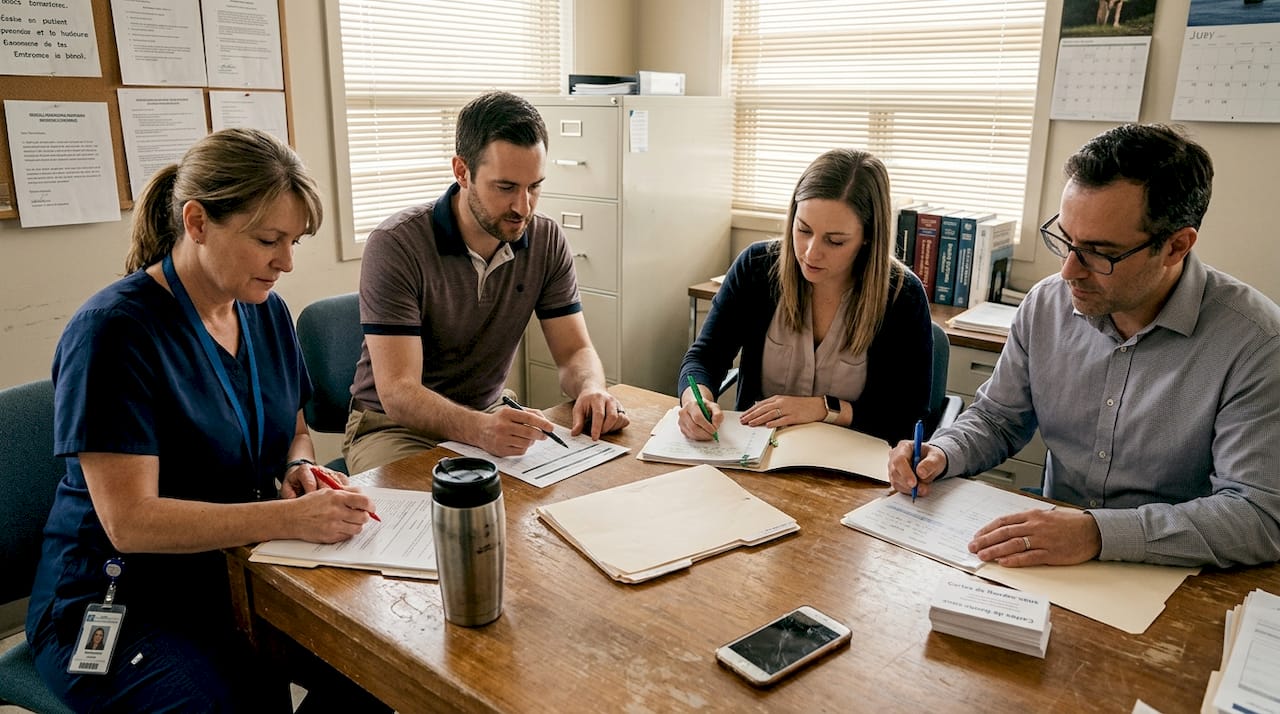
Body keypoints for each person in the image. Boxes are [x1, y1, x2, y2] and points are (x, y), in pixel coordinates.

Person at [26, 128, 387, 712]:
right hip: (120, 597)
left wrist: (299, 465)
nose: (287, 262)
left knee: (375, 672)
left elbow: (294, 426)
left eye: (295, 241)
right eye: (269, 240)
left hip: (233, 575)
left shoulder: (264, 311)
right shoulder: (114, 333)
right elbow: (132, 523)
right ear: (196, 222)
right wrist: (286, 517)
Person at [888, 123, 1280, 569]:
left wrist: (1098, 533)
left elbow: (1258, 516)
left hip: (1174, 575)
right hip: (1054, 553)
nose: (1070, 270)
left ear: (1176, 246)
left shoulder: (1257, 344)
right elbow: (998, 419)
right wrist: (944, 452)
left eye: (1099, 252)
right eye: (1066, 240)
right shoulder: (1046, 304)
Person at [344, 90, 628, 473]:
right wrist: (480, 429)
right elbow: (398, 393)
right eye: (506, 187)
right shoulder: (396, 244)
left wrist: (592, 387)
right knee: (435, 517)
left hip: (488, 414)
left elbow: (574, 351)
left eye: (535, 186)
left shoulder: (546, 240)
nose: (523, 207)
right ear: (462, 172)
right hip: (393, 426)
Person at [678, 148, 933, 444]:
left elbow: (908, 419)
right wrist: (695, 400)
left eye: (835, 241)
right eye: (803, 230)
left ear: (868, 237)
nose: (811, 253)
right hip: (757, 452)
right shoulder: (757, 268)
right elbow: (704, 357)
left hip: (849, 468)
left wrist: (824, 409)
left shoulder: (902, 296)